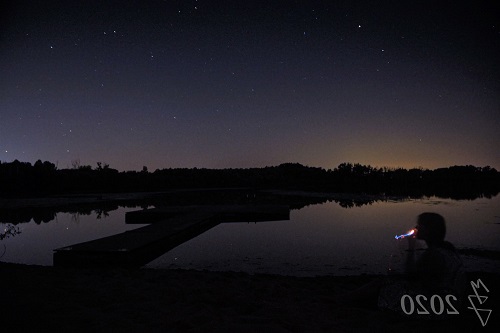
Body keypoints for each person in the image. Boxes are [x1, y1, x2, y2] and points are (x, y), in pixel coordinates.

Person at [377, 212, 467, 315]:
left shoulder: (433, 255)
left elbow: (412, 279)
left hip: (438, 307)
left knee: (382, 285)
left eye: (420, 225)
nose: (416, 227)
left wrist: (411, 246)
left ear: (429, 230)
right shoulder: (447, 247)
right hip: (453, 303)